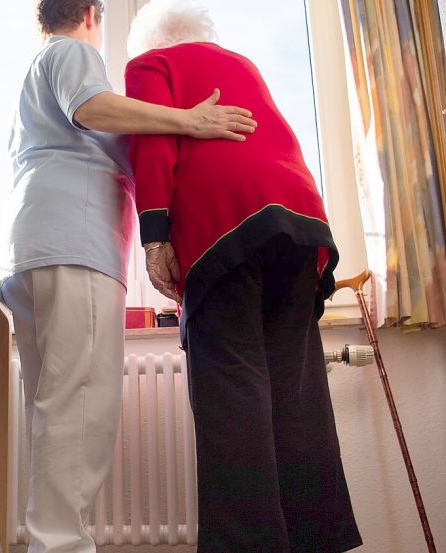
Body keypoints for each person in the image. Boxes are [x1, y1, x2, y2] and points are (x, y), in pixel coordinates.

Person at [0, 2, 257, 553]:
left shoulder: (36, 74)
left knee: (55, 412)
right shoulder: (71, 53)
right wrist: (189, 119)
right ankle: (61, 547)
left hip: (35, 248)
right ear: (92, 12)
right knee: (82, 410)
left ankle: (51, 542)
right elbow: (93, 108)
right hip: (73, 245)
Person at [124, 1, 362, 551]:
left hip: (224, 231)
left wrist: (156, 235)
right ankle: (316, 540)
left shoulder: (151, 65)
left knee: (232, 397)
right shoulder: (243, 65)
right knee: (295, 395)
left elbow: (152, 144)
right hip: (300, 227)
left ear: (150, 40)